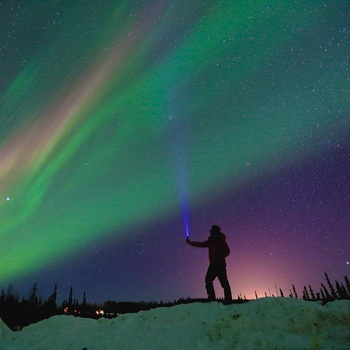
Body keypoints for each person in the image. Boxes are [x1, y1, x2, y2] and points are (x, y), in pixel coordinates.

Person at [186, 225, 232, 303]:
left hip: (220, 264)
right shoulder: (210, 241)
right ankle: (211, 297)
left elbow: (227, 251)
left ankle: (228, 300)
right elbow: (201, 244)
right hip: (213, 264)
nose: (210, 231)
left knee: (224, 282)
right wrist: (191, 243)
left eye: (211, 230)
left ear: (215, 231)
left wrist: (219, 255)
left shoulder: (221, 240)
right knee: (208, 279)